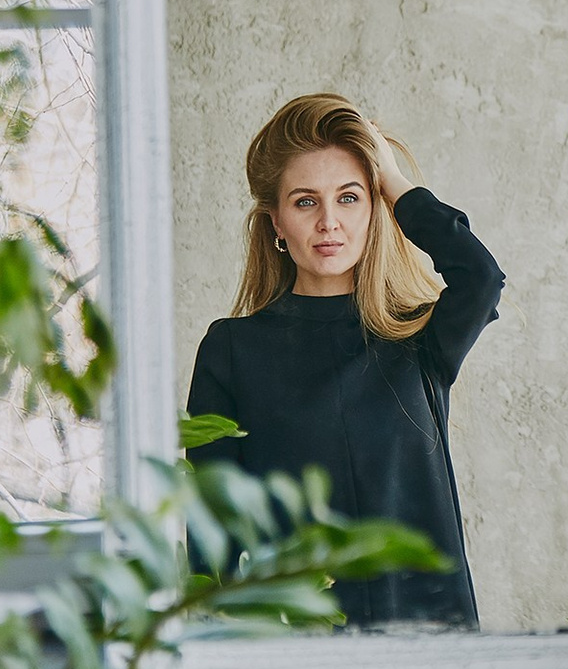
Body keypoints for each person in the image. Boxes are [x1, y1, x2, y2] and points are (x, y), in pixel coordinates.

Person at [188, 93, 503, 628]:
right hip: (297, 642)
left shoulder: (419, 336)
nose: (329, 221)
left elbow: (481, 277)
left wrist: (393, 181)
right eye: (305, 202)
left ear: (376, 210)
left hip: (431, 644)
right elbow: (212, 533)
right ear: (276, 222)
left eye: (350, 198)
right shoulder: (232, 350)